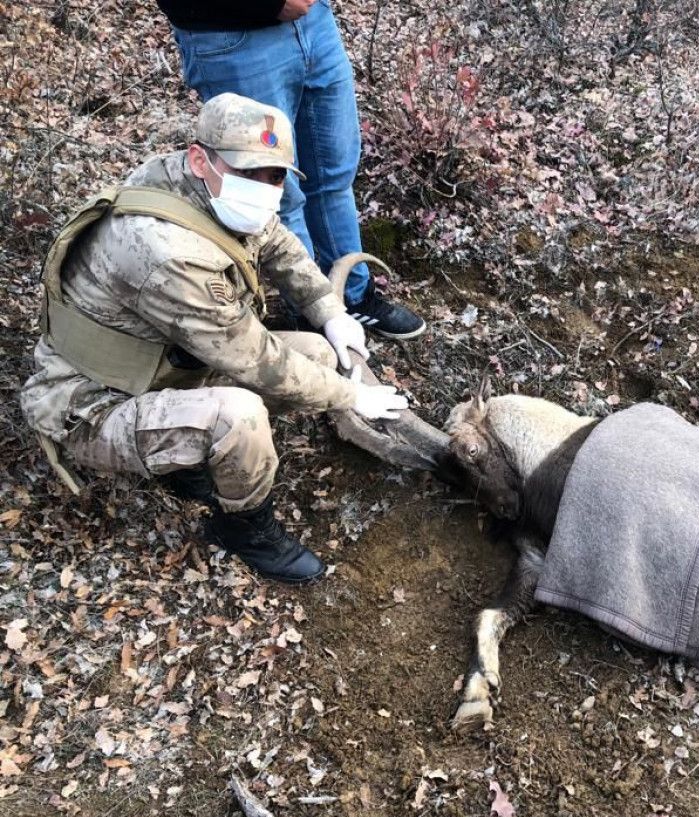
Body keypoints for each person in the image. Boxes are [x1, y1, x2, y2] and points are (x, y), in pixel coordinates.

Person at [22, 93, 410, 584]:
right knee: (238, 417)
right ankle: (244, 528)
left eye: (276, 176)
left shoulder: (200, 187)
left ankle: (186, 455)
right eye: (250, 173)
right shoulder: (165, 253)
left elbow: (278, 244)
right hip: (92, 403)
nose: (265, 189)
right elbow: (257, 360)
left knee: (317, 352)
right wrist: (353, 396)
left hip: (162, 365)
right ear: (200, 157)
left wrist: (330, 312)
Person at [155, 0, 426, 340]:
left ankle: (354, 297)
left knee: (333, 177)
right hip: (236, 39)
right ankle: (314, 317)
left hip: (315, 22)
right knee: (277, 192)